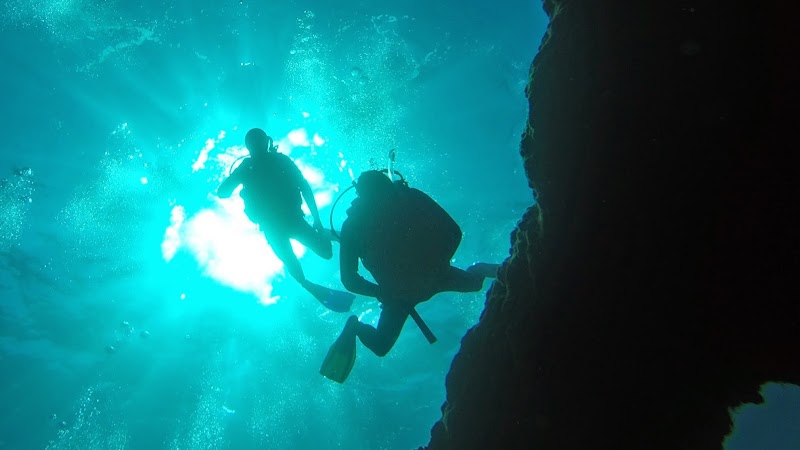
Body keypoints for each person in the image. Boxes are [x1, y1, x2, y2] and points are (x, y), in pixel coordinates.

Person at [320, 170, 499, 382]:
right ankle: (354, 327)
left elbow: (349, 280)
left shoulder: (359, 223)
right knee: (380, 346)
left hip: (409, 288)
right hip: (417, 285)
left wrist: (383, 292)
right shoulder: (405, 199)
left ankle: (479, 268)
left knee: (381, 345)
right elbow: (453, 232)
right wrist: (386, 291)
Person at [217, 128, 354, 312]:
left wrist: (317, 219)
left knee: (323, 253)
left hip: (286, 222)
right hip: (278, 224)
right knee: (296, 261)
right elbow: (304, 187)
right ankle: (308, 282)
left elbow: (223, 192)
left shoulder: (271, 163)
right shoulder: (261, 165)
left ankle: (309, 278)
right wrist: (316, 219)